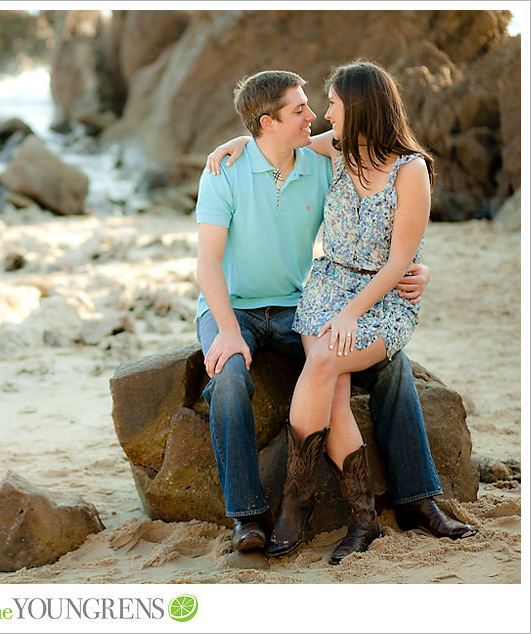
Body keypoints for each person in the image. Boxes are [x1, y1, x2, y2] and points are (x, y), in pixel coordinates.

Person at [197, 66, 474, 565]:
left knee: (393, 369)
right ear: (267, 122)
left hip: (330, 300)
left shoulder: (342, 160)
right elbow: (210, 258)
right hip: (278, 300)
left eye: (323, 105)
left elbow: (399, 246)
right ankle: (264, 514)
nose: (317, 115)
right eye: (302, 108)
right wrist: (236, 141)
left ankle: (415, 499)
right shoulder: (253, 166)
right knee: (254, 379)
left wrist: (418, 270)